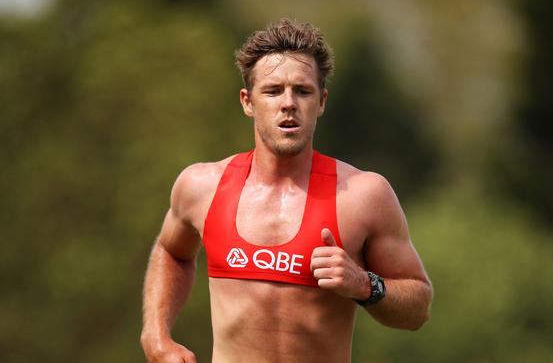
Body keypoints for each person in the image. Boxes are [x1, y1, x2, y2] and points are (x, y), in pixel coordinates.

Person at [140, 18, 432, 363]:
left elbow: (418, 308)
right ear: (248, 102)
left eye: (302, 91)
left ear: (321, 102)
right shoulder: (201, 186)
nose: (289, 103)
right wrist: (156, 337)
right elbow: (172, 251)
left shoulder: (363, 195)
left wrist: (365, 284)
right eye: (273, 90)